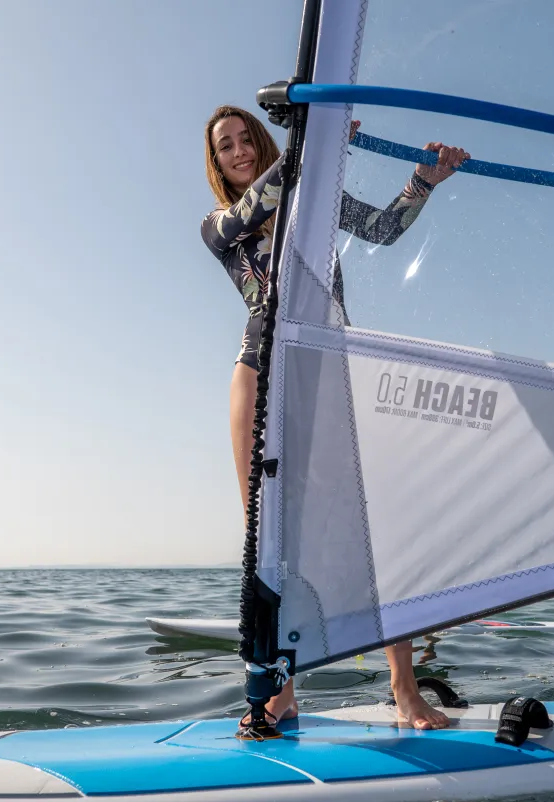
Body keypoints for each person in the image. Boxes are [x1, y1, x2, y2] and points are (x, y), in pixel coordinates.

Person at [201, 105, 469, 730]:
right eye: (225, 147)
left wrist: (423, 181)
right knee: (269, 538)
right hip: (261, 374)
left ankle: (404, 689)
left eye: (245, 139)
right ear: (216, 163)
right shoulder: (219, 223)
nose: (239, 151)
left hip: (327, 373)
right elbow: (247, 215)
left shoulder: (314, 201)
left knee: (369, 531)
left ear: (262, 140)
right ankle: (280, 695)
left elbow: (381, 228)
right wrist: (311, 151)